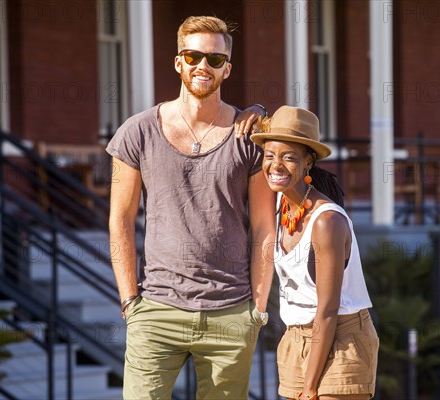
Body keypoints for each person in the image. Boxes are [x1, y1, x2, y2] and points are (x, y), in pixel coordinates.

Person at [106, 16, 275, 399]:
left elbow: (265, 226)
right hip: (156, 310)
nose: (204, 65)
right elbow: (120, 219)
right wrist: (130, 301)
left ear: (227, 69)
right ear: (178, 62)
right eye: (193, 56)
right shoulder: (138, 132)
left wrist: (258, 309)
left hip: (231, 313)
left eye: (215, 60)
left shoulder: (249, 137)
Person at [251, 106, 379, 400]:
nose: (276, 165)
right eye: (269, 155)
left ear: (308, 163)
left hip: (340, 339)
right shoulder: (280, 210)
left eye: (289, 157)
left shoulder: (327, 222)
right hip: (295, 338)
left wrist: (310, 387)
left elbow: (328, 309)